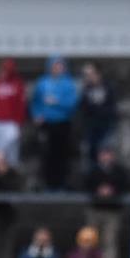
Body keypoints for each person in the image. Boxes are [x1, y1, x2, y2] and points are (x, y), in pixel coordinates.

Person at [31, 56, 78, 190]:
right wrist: (37, 115)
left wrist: (57, 102)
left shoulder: (68, 84)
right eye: (55, 66)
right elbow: (35, 102)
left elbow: (72, 104)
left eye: (60, 66)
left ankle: (61, 183)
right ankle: (48, 183)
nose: (57, 68)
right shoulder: (43, 83)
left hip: (62, 123)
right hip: (46, 124)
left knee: (62, 155)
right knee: (46, 155)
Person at [0, 58, 27, 166]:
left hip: (10, 123)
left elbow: (21, 105)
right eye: (2, 69)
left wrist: (19, 123)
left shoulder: (17, 84)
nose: (3, 72)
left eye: (6, 69)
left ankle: (11, 175)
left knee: (10, 154)